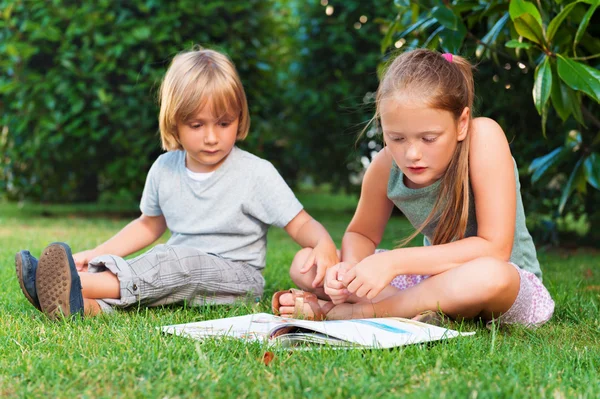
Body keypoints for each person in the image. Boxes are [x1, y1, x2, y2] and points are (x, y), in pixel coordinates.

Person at [15, 47, 338, 320]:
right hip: (178, 269)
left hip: (236, 279)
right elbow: (148, 225)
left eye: (224, 123)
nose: (212, 137)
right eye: (197, 124)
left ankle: (75, 283)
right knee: (161, 266)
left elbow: (301, 224)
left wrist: (323, 245)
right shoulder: (164, 168)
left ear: (240, 118)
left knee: (170, 260)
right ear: (175, 123)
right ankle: (78, 304)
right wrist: (96, 254)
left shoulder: (256, 173)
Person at [272, 49, 555, 327]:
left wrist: (394, 262)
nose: (412, 154)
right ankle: (413, 309)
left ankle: (365, 312)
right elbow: (360, 233)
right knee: (306, 263)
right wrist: (351, 270)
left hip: (501, 283)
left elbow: (495, 250)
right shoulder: (384, 166)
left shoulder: (484, 137)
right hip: (427, 282)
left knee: (491, 275)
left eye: (428, 138)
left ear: (462, 123)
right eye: (396, 138)